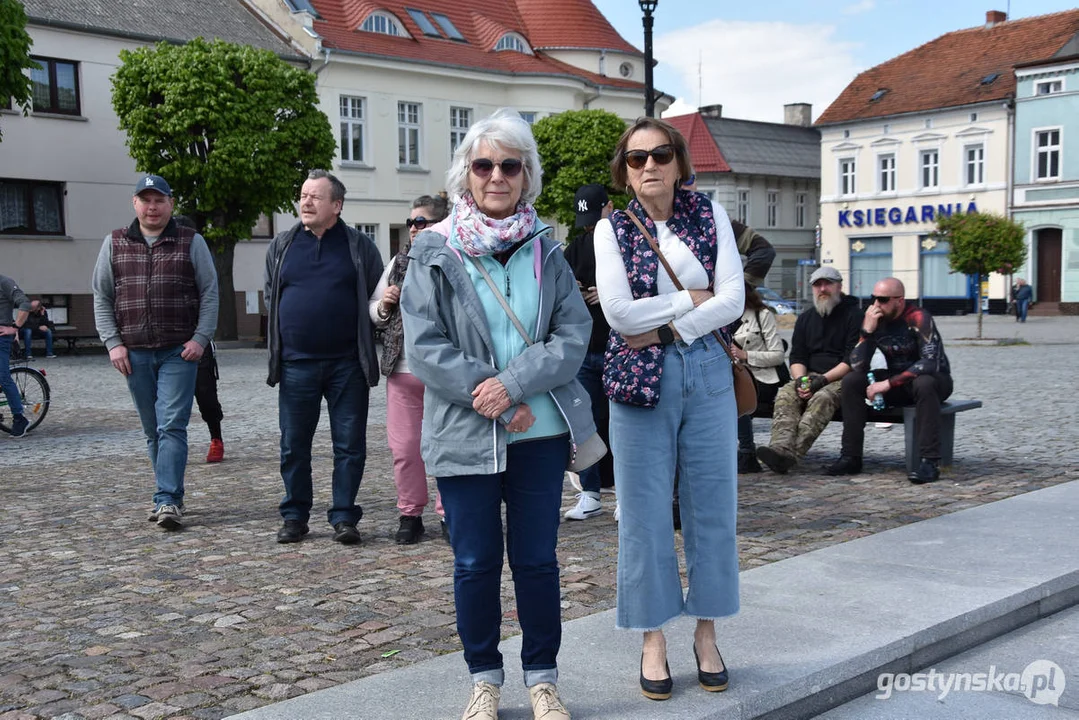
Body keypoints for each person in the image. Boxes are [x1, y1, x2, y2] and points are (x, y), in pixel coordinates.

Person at [400, 108, 590, 720]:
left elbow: (572, 334)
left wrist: (511, 384)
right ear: (467, 174)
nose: (497, 175)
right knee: (476, 562)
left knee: (535, 560)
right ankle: (484, 677)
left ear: (526, 175)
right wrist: (488, 392)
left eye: (510, 165)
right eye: (484, 164)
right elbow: (423, 346)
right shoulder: (434, 250)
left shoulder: (548, 252)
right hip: (462, 431)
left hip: (540, 433)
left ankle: (543, 679)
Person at [594, 117, 743, 700]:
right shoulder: (612, 229)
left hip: (706, 371)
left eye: (660, 155)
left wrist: (670, 327)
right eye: (636, 159)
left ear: (679, 162)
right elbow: (619, 317)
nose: (649, 166)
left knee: (713, 508)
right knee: (644, 514)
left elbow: (732, 298)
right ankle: (652, 636)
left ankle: (707, 632)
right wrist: (689, 300)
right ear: (625, 171)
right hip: (637, 382)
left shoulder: (711, 216)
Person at [91, 175, 219, 529]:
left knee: (172, 425)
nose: (152, 207)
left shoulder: (190, 241)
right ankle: (167, 492)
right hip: (134, 353)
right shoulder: (115, 243)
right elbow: (102, 296)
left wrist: (200, 338)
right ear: (135, 203)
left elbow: (210, 292)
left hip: (180, 351)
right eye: (145, 200)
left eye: (159, 200)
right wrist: (113, 343)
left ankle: (167, 500)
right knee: (153, 429)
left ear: (171, 204)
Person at [265, 169, 384, 546]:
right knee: (293, 444)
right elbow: (272, 294)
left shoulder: (359, 246)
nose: (306, 202)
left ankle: (345, 516)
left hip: (347, 364)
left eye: (315, 197)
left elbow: (376, 300)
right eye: (303, 195)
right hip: (296, 364)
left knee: (349, 445)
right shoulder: (282, 245)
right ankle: (295, 515)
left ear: (337, 205)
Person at [370, 194, 449, 544]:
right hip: (402, 369)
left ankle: (451, 514)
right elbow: (373, 309)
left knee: (446, 445)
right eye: (412, 223)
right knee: (405, 448)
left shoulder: (454, 260)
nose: (414, 229)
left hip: (444, 370)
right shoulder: (397, 263)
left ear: (439, 225)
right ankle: (410, 513)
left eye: (422, 222)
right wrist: (383, 305)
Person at [829, 277, 953, 484]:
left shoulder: (918, 317)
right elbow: (858, 365)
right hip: (896, 381)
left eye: (883, 299)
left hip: (933, 380)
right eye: (873, 298)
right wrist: (866, 333)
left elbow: (930, 363)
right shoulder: (875, 320)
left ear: (899, 300)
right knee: (852, 381)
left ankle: (929, 462)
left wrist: (887, 384)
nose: (876, 304)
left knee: (925, 383)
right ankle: (851, 457)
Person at [755, 266, 862, 474]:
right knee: (786, 394)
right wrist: (801, 381)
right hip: (809, 376)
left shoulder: (854, 316)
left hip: (842, 379)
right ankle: (780, 447)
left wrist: (821, 381)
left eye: (827, 283)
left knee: (822, 398)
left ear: (839, 286)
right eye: (817, 285)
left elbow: (851, 359)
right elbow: (797, 356)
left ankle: (791, 455)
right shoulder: (806, 318)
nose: (822, 289)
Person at [562, 183, 615, 521]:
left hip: (617, 348)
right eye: (588, 222)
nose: (592, 228)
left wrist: (606, 293)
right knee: (586, 426)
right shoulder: (574, 248)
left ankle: (625, 494)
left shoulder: (624, 244)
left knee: (621, 424)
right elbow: (560, 292)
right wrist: (578, 294)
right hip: (585, 349)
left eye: (597, 219)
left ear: (610, 208)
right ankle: (591, 493)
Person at [173, 215, 225, 464]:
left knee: (205, 394)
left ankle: (216, 437)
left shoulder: (200, 257)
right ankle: (171, 446)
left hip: (197, 338)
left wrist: (202, 336)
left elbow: (210, 295)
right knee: (169, 402)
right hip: (168, 339)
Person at [731, 283, 789, 473]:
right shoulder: (723, 317)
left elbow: (777, 355)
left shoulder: (762, 315)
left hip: (763, 378)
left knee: (737, 393)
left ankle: (747, 453)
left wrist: (746, 355)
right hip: (734, 375)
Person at [1, 274, 32, 438]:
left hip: (1, 338)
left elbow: (25, 303)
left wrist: (15, 327)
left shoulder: (4, 283)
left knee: (3, 376)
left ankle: (19, 418)